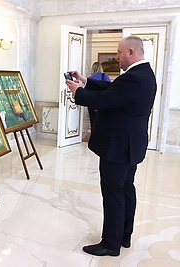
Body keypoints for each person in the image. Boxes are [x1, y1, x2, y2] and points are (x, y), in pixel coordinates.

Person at [65, 36, 157, 257]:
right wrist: (86, 81)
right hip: (130, 146)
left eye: (119, 52)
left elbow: (105, 100)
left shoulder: (134, 78)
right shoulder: (143, 74)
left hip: (118, 147)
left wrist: (78, 92)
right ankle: (124, 235)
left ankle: (111, 243)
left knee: (114, 193)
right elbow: (113, 89)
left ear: (131, 52)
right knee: (126, 190)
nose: (117, 57)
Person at [87, 62, 111, 129]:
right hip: (103, 101)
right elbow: (110, 88)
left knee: (93, 121)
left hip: (92, 102)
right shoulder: (104, 76)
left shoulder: (89, 79)